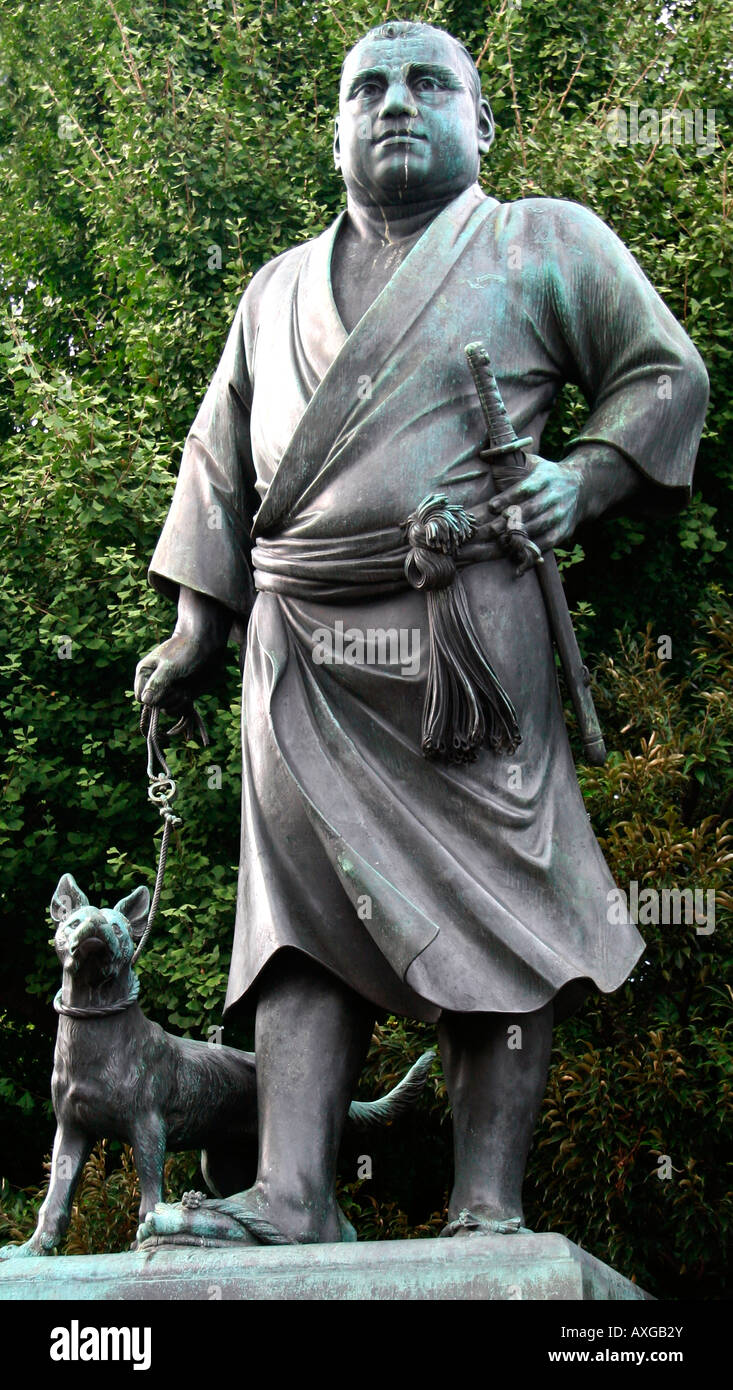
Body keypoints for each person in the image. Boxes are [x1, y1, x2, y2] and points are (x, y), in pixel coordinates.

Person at [133, 20, 708, 1247]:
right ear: (334, 127)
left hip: (466, 639)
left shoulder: (538, 241)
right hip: (298, 642)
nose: (396, 104)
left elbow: (666, 376)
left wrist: (582, 477)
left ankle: (487, 1204)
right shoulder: (275, 288)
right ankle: (292, 1191)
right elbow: (216, 464)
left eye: (428, 84)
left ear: (482, 122)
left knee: (499, 897)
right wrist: (194, 627)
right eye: (368, 88)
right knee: (293, 910)